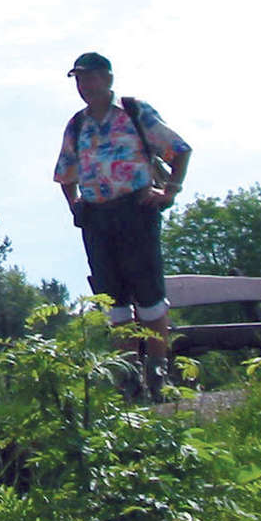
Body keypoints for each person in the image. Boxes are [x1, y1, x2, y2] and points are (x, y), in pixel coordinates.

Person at [54, 51, 192, 400]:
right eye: (79, 80)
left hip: (136, 208)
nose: (84, 86)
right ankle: (128, 381)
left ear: (108, 78)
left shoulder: (133, 111)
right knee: (113, 301)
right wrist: (76, 208)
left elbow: (178, 149)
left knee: (149, 297)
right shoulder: (77, 124)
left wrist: (170, 191)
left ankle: (159, 376)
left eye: (90, 78)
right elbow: (65, 174)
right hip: (97, 218)